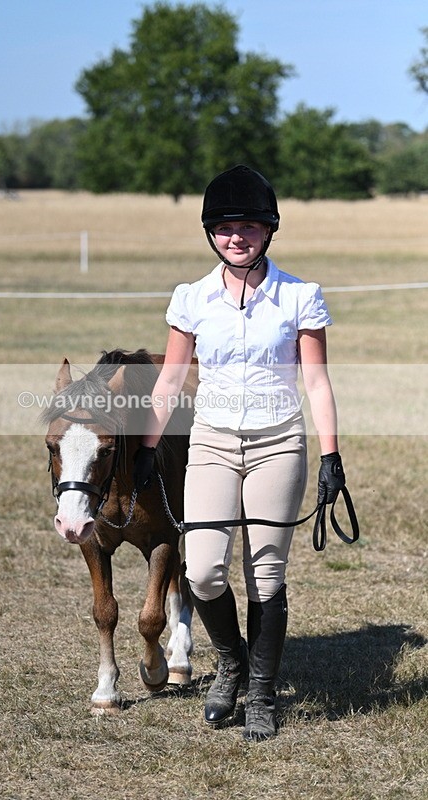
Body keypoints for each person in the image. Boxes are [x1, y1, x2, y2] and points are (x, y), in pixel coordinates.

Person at [133, 165, 346, 742]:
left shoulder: (300, 296)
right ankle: (230, 660)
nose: (237, 237)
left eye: (249, 226)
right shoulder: (191, 298)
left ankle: (261, 690)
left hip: (279, 440)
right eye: (225, 227)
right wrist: (148, 450)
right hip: (212, 441)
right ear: (210, 233)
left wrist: (331, 457)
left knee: (266, 575)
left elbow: (318, 383)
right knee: (201, 571)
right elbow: (170, 380)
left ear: (269, 231)